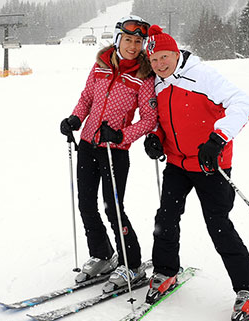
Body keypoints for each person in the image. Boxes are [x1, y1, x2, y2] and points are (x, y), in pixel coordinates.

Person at [142, 25, 249, 321]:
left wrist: (218, 138)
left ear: (176, 52)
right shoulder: (158, 83)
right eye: (154, 59)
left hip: (212, 165)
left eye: (165, 57)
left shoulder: (202, 76)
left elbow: (243, 104)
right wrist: (155, 136)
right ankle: (166, 271)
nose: (160, 64)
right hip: (177, 164)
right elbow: (162, 118)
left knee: (219, 226)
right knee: (165, 219)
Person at [60, 16, 157, 293]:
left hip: (115, 150)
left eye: (138, 41)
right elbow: (87, 98)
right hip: (89, 144)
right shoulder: (101, 65)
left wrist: (121, 135)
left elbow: (149, 119)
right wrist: (75, 119)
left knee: (113, 208)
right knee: (86, 204)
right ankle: (103, 255)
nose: (132, 45)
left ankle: (133, 264)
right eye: (128, 39)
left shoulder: (144, 76)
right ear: (118, 40)